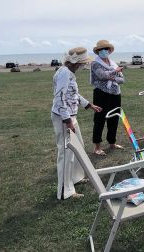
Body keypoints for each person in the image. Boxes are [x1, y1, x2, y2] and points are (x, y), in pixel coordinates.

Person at [51, 47, 102, 200]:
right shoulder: (65, 74)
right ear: (76, 63)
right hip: (63, 117)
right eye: (82, 63)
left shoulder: (68, 73)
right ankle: (64, 192)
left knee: (78, 147)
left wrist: (88, 104)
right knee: (66, 153)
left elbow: (72, 94)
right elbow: (60, 98)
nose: (83, 66)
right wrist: (67, 121)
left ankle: (76, 178)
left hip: (70, 116)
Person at [91, 40, 125, 155]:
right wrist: (115, 72)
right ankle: (97, 147)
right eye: (101, 49)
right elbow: (102, 75)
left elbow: (122, 79)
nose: (104, 51)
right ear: (98, 51)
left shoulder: (113, 63)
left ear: (109, 51)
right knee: (100, 119)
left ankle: (112, 143)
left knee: (114, 118)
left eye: (106, 49)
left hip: (115, 94)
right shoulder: (95, 63)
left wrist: (112, 76)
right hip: (101, 94)